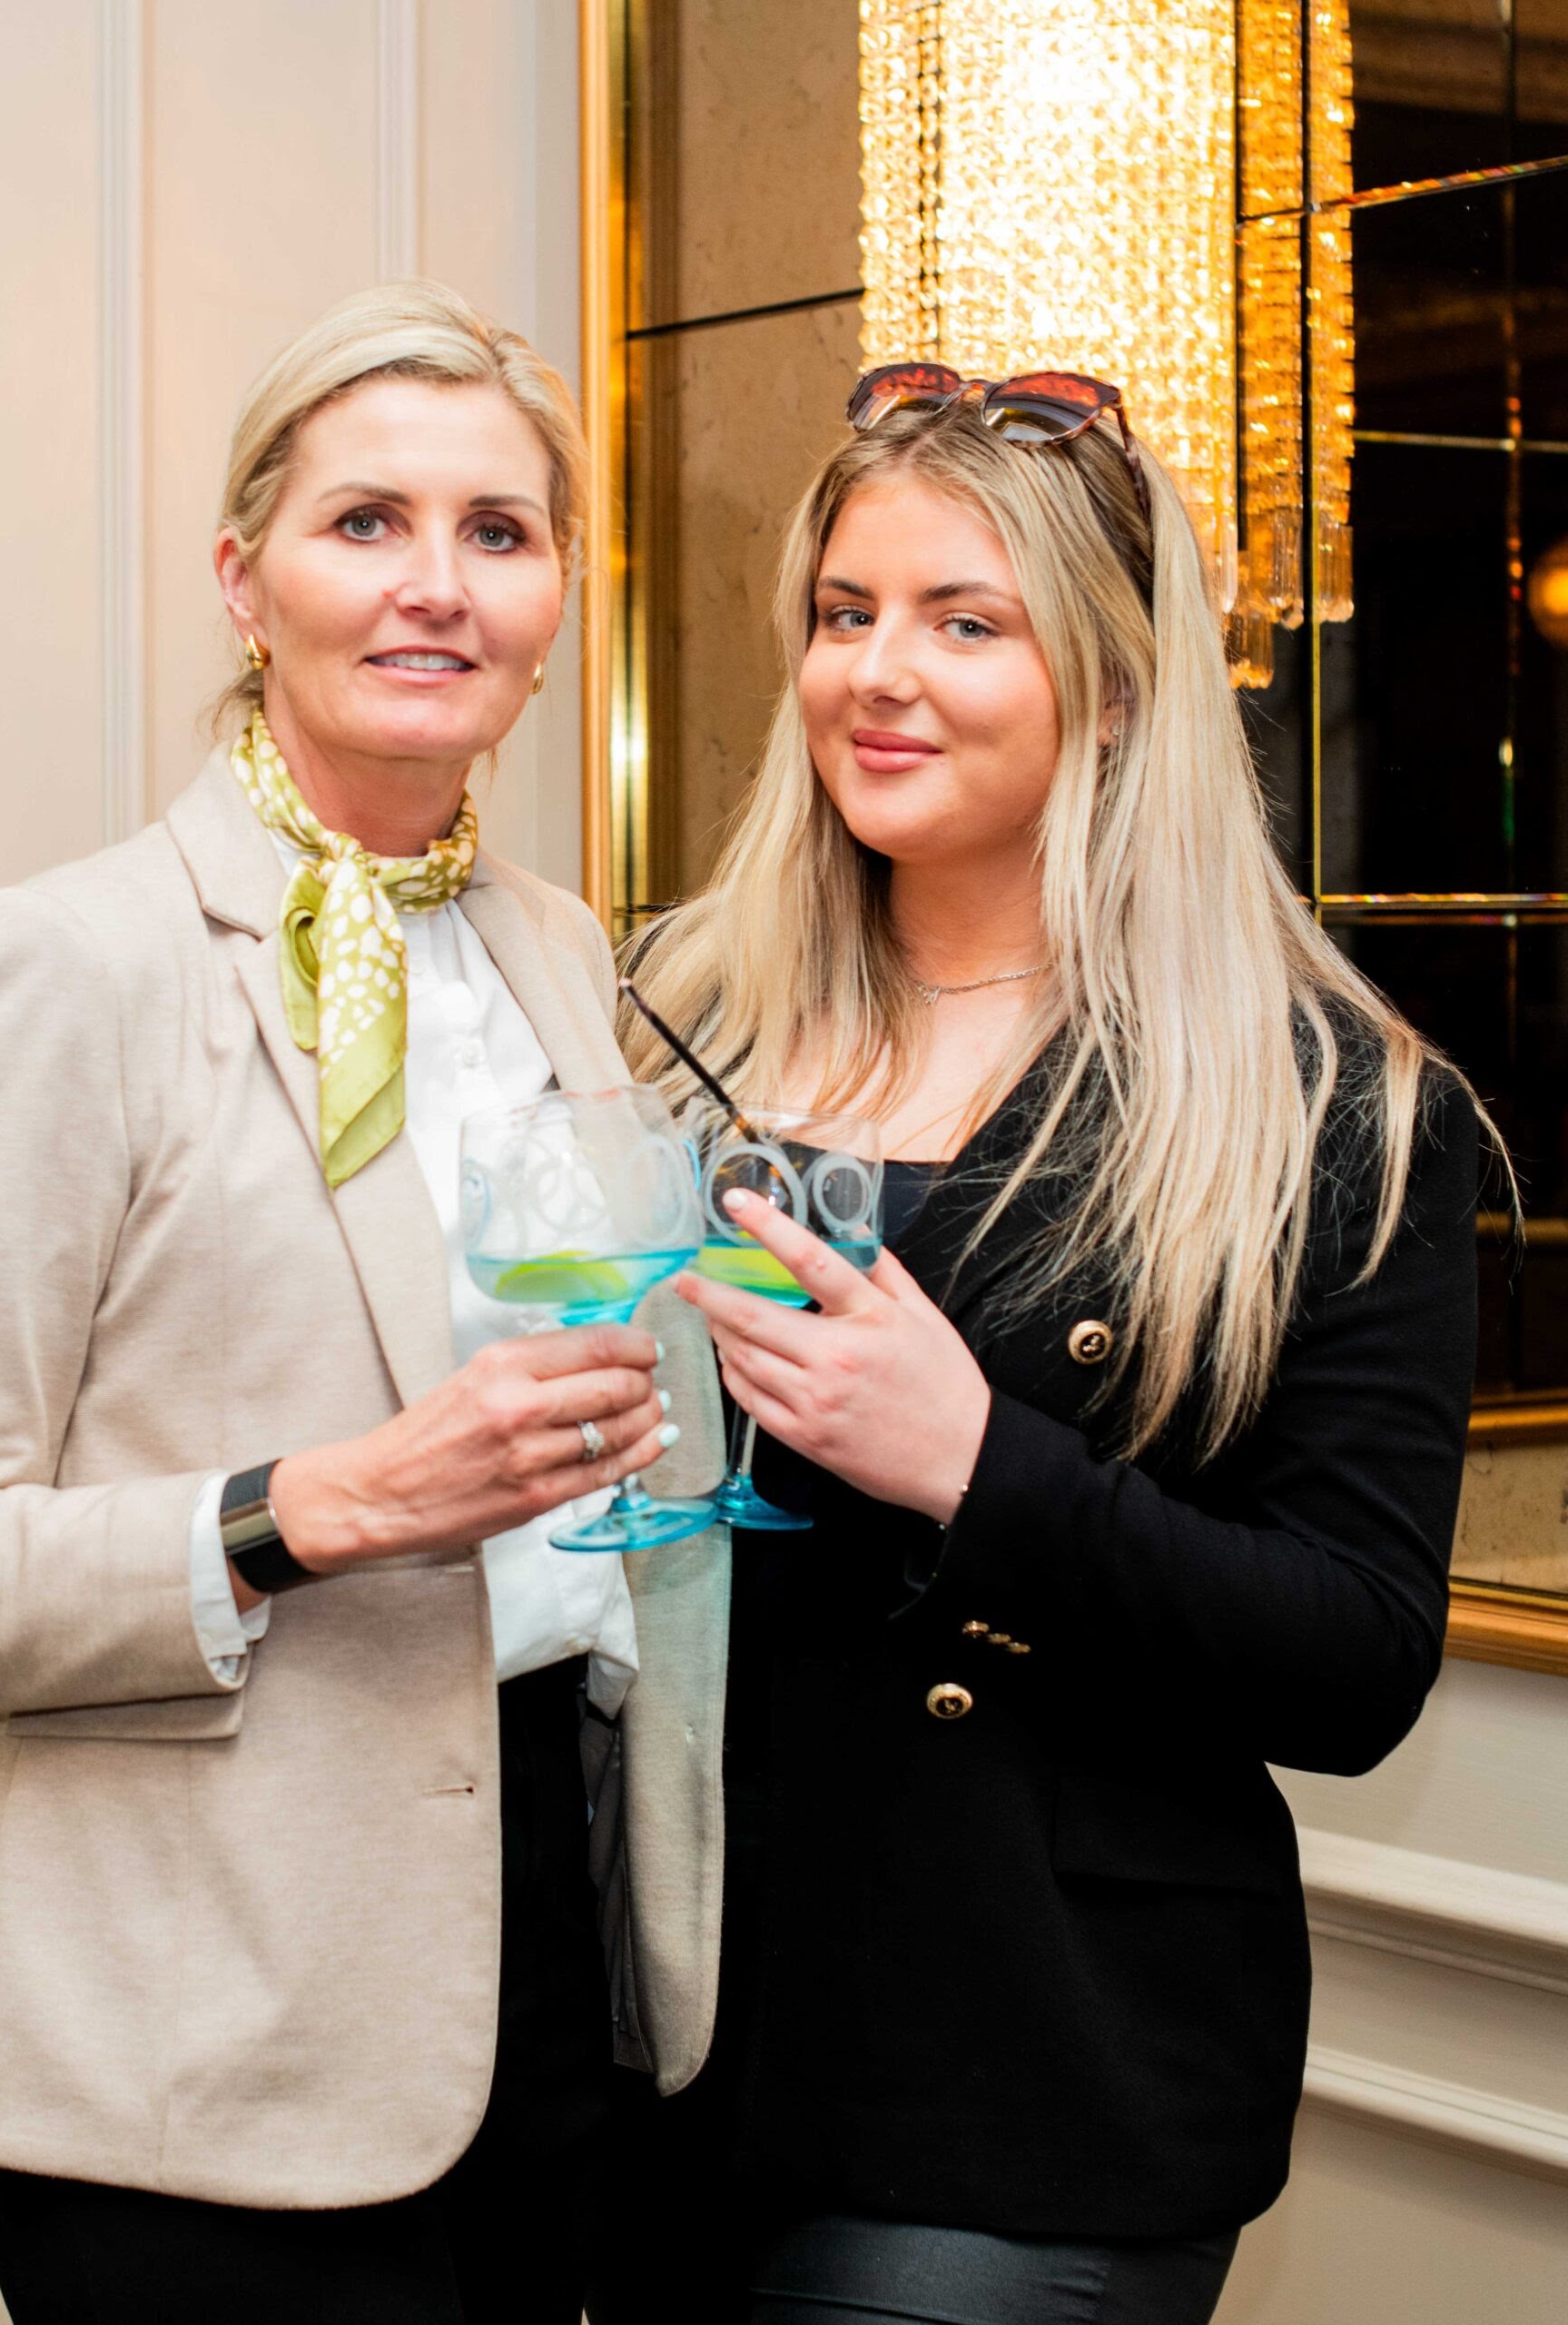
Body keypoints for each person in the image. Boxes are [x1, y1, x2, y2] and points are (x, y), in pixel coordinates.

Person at [0, 280, 725, 2325]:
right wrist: (324, 1503)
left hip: (560, 1976)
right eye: (365, 520)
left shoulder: (564, 949)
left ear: (557, 602)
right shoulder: (71, 966)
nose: (436, 584)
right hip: (210, 2053)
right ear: (245, 580)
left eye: (498, 531)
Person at [610, 363, 1490, 2325]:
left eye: (964, 623)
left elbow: (1354, 1657)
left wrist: (974, 1466)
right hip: (646, 2040)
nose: (877, 674)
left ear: (1109, 688)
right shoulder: (666, 1021)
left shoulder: (1320, 1108)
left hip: (1021, 2071)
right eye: (845, 612)